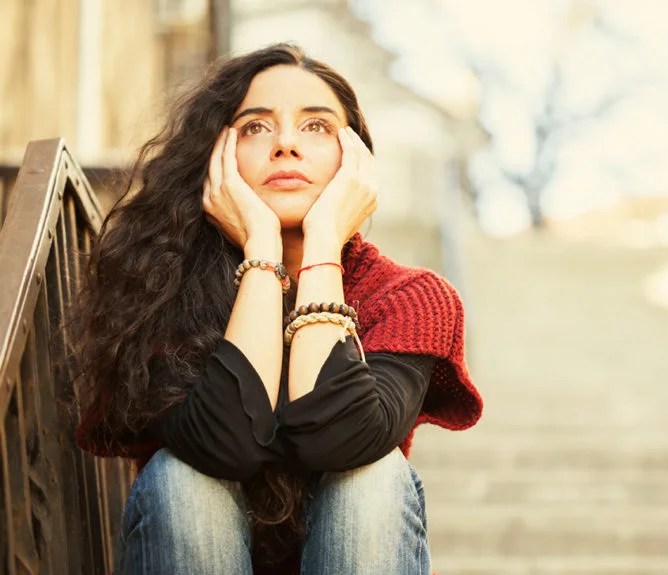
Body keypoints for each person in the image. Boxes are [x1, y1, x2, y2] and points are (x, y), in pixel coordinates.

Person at [68, 43, 482, 574]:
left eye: (316, 127)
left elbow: (341, 439)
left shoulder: (409, 298)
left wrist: (324, 245)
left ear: (355, 161)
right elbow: (225, 447)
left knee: (373, 479)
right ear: (214, 157)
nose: (286, 143)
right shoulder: (159, 288)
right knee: (186, 479)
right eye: (256, 127)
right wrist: (262, 251)